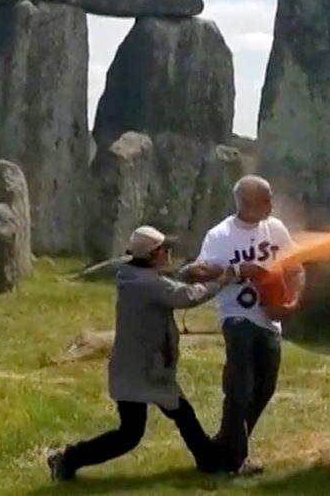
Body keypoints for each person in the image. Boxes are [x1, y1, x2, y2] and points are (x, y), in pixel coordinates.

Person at [47, 226, 231, 481]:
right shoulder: (147, 283)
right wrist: (222, 280)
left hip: (144, 367)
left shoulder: (136, 274)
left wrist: (192, 272)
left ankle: (209, 461)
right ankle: (67, 459)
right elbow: (186, 296)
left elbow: (169, 281)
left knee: (175, 417)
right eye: (165, 249)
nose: (170, 252)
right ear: (152, 255)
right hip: (141, 370)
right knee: (131, 434)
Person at [181, 175, 304, 475]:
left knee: (264, 388)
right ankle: (237, 459)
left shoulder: (275, 229)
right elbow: (195, 273)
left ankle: (225, 445)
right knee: (240, 386)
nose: (271, 205)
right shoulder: (219, 235)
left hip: (269, 320)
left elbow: (295, 268)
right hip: (236, 316)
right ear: (247, 203)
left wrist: (294, 301)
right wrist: (236, 270)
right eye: (266, 200)